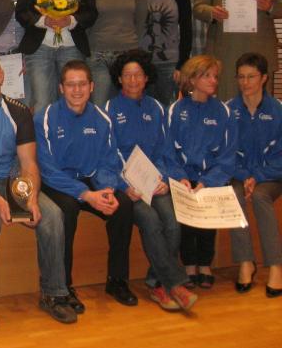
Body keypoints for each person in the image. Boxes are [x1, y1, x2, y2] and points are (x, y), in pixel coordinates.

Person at [0, 54, 76, 326]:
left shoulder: (18, 111)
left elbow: (29, 163)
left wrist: (30, 198)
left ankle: (54, 293)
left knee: (52, 214)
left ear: (1, 76)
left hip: (11, 183)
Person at [35, 60, 136, 311]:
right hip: (57, 182)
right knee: (67, 210)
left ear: (91, 87)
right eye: (71, 85)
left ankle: (117, 280)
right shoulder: (45, 118)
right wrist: (85, 195)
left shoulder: (102, 119)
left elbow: (108, 162)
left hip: (91, 179)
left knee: (123, 205)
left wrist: (107, 191)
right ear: (61, 88)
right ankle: (64, 286)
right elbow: (47, 170)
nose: (77, 90)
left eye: (82, 84)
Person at [105, 50, 197, 311]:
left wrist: (165, 179)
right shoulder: (109, 109)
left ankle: (156, 281)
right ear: (119, 79)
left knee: (173, 222)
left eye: (138, 75)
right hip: (129, 188)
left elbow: (166, 152)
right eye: (127, 75)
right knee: (152, 221)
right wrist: (125, 186)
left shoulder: (157, 108)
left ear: (146, 78)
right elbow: (108, 154)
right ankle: (174, 284)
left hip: (155, 183)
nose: (133, 80)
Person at [164, 55, 236, 288]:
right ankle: (188, 264)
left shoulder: (223, 112)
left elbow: (227, 157)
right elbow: (168, 152)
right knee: (185, 221)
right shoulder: (175, 110)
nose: (213, 80)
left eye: (215, 76)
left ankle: (205, 264)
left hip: (211, 178)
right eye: (207, 76)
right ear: (192, 79)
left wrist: (207, 182)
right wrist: (181, 177)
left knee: (206, 218)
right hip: (182, 178)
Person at [227, 53, 282, 297]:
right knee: (233, 194)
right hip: (239, 175)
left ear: (264, 78)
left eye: (251, 77)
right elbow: (225, 153)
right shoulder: (228, 110)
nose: (245, 82)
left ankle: (276, 266)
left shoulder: (278, 110)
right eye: (241, 77)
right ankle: (245, 262)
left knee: (260, 196)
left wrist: (257, 176)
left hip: (272, 177)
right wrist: (245, 175)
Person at [88, 0, 148, 107]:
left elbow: (140, 22)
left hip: (128, 55)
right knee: (100, 106)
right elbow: (87, 24)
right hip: (98, 55)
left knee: (128, 106)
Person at [140, 0, 192, 105]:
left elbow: (187, 31)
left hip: (170, 63)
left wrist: (181, 65)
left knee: (169, 109)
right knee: (146, 109)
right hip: (143, 64)